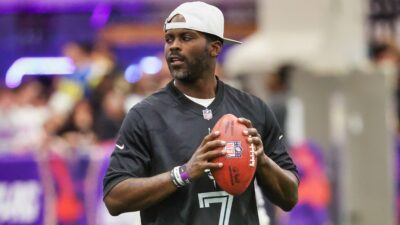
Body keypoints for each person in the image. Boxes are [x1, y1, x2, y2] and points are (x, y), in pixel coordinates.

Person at [103, 2, 299, 225]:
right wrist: (184, 173)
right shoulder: (145, 115)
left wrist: (262, 161)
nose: (174, 46)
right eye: (169, 39)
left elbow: (290, 197)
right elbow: (114, 197)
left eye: (186, 37)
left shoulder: (253, 110)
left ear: (214, 47)